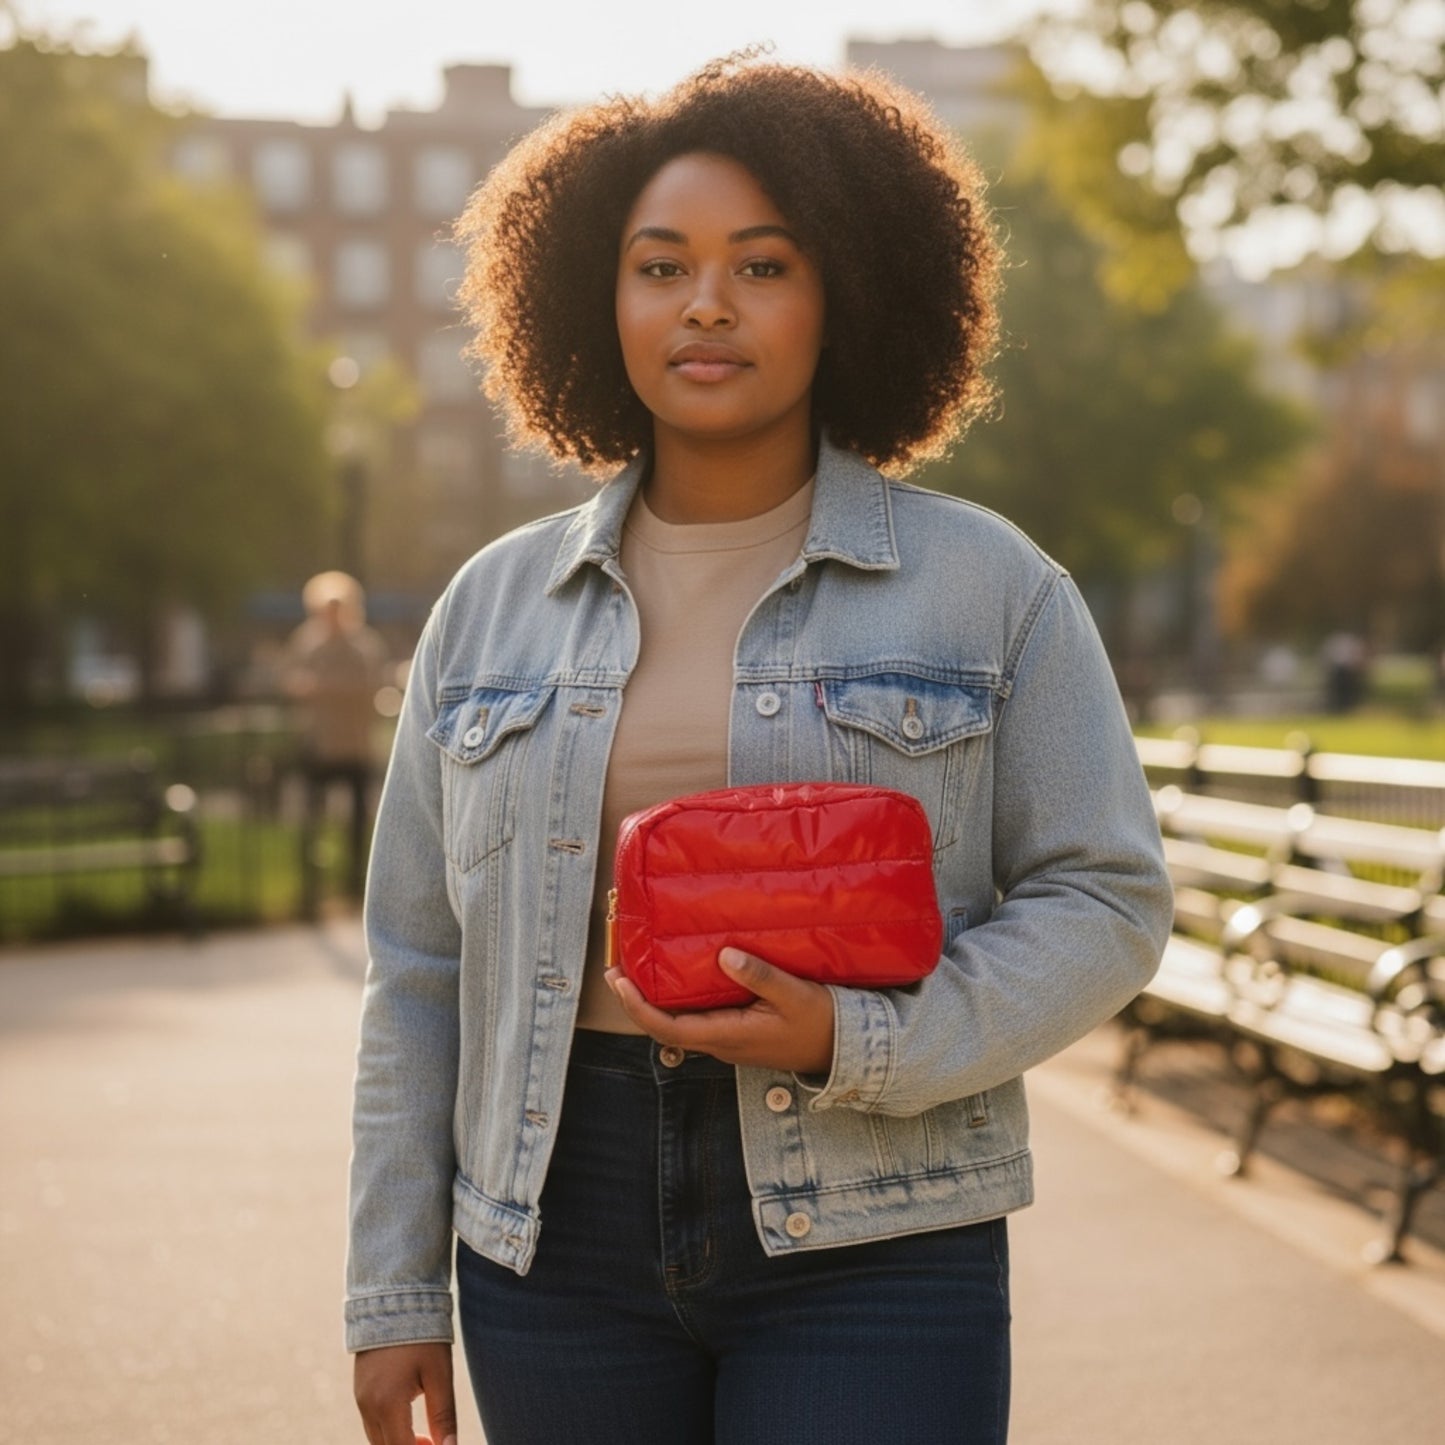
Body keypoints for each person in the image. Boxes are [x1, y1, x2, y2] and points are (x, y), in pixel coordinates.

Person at [346, 55, 1172, 1445]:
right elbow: (419, 973)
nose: (707, 303)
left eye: (764, 265)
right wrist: (391, 1290)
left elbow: (1107, 897)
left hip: (878, 1226)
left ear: (845, 289)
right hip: (553, 1234)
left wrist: (866, 1038)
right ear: (593, 301)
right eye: (660, 267)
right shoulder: (489, 609)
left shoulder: (989, 585)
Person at [283, 570, 387, 907]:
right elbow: (292, 679)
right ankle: (312, 883)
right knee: (313, 815)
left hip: (354, 743)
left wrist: (324, 689)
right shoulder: (307, 642)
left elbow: (368, 687)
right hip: (318, 742)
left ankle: (355, 881)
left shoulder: (364, 645)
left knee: (358, 819)